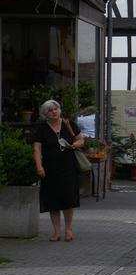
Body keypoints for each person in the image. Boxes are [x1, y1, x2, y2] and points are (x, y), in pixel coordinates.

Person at [32, 99, 84, 242]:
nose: (54, 112)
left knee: (68, 198)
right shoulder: (41, 128)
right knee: (52, 200)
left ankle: (68, 229)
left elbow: (81, 140)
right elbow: (37, 149)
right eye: (50, 110)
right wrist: (39, 166)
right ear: (45, 113)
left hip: (68, 167)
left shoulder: (68, 124)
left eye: (56, 109)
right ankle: (56, 232)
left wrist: (73, 145)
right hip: (50, 168)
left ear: (59, 110)